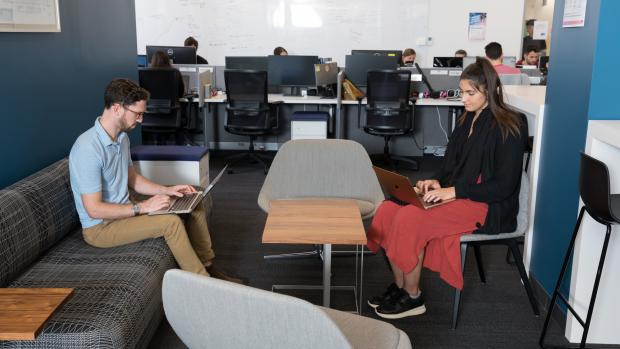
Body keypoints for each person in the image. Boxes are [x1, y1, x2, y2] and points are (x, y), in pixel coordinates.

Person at [366, 57, 527, 319]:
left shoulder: (511, 124)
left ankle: (413, 295)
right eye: (462, 92)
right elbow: (449, 166)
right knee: (387, 209)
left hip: (486, 205)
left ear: (490, 90)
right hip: (459, 194)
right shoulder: (466, 121)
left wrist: (453, 191)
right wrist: (434, 181)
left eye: (470, 93)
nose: (463, 98)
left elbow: (505, 186)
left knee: (410, 216)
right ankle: (400, 288)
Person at [69, 78, 241, 283]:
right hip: (101, 228)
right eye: (138, 114)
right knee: (171, 224)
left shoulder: (121, 138)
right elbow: (94, 210)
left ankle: (208, 265)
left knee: (194, 197)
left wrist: (166, 190)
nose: (141, 120)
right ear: (116, 108)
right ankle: (204, 284)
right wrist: (141, 207)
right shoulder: (88, 148)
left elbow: (133, 179)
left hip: (124, 209)